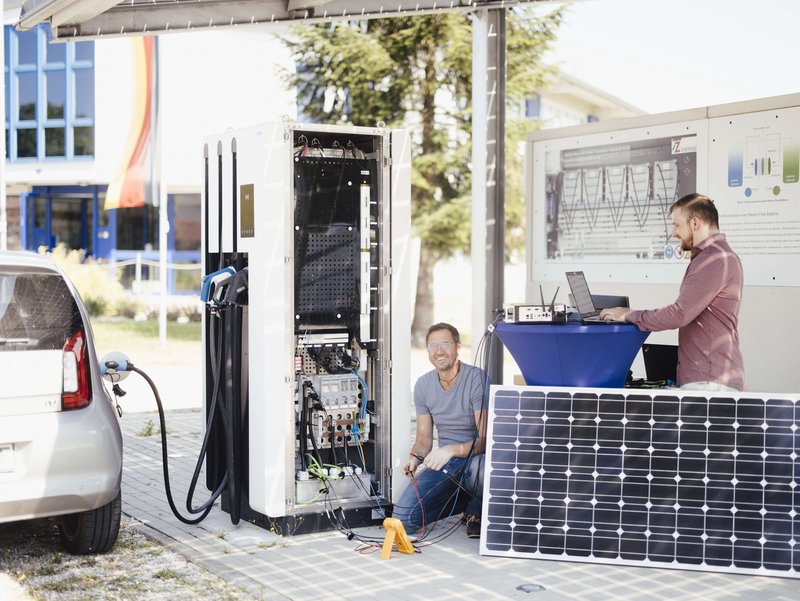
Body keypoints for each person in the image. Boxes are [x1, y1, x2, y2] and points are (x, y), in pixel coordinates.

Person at [599, 193, 745, 391]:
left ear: (695, 223)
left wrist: (629, 315)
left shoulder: (713, 260)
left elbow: (679, 314)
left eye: (677, 225)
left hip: (708, 383)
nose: (674, 232)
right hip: (711, 379)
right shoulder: (720, 256)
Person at [393, 322, 489, 539]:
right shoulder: (423, 385)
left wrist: (451, 450)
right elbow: (424, 440)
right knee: (402, 520)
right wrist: (415, 458)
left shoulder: (477, 379)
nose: (439, 351)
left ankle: (477, 511)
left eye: (445, 344)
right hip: (448, 463)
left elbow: (486, 439)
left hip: (476, 459)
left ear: (457, 346)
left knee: (480, 469)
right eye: (432, 346)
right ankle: (463, 500)